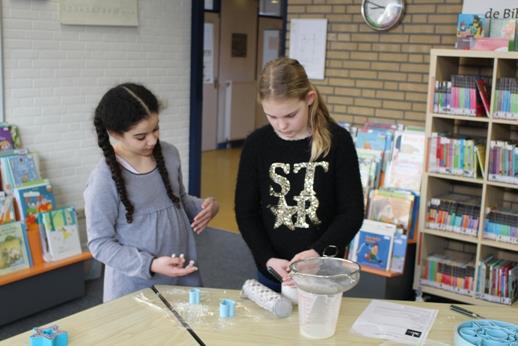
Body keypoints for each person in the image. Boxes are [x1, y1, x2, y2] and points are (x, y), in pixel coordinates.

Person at [235, 58, 364, 292]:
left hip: (324, 271)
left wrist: (317, 253)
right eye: (272, 117)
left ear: (309, 99)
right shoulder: (256, 144)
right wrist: (267, 258)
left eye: (290, 115)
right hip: (273, 271)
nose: (282, 125)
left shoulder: (338, 141)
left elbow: (351, 212)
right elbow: (246, 212)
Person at [84, 83, 219, 302]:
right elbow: (100, 244)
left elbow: (179, 201)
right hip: (136, 286)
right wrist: (151, 264)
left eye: (156, 129)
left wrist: (207, 207)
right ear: (115, 134)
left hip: (182, 273)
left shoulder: (169, 153)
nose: (152, 140)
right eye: (140, 136)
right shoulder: (103, 179)